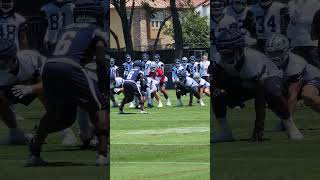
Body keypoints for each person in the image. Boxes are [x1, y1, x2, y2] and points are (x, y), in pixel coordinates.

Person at [26, 2, 109, 166]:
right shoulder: (96, 31)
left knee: (62, 116)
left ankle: (34, 153)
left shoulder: (66, 28)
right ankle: (103, 154)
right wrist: (104, 85)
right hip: (70, 67)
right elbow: (100, 60)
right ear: (96, 15)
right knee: (100, 107)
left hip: (49, 67)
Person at [210, 29, 303, 142]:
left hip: (270, 80)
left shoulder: (252, 61)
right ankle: (225, 131)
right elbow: (216, 81)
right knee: (216, 92)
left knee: (271, 90)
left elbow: (260, 95)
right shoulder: (218, 59)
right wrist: (221, 92)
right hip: (243, 82)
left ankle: (290, 126)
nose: (225, 56)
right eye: (223, 52)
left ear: (239, 49)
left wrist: (259, 128)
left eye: (229, 52)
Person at [265, 34, 320, 115]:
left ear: (287, 50)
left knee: (308, 95)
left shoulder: (295, 63)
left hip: (313, 78)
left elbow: (293, 95)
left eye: (277, 52)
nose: (274, 56)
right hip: (297, 83)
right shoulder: (266, 62)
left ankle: (286, 122)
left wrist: (288, 122)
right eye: (271, 53)